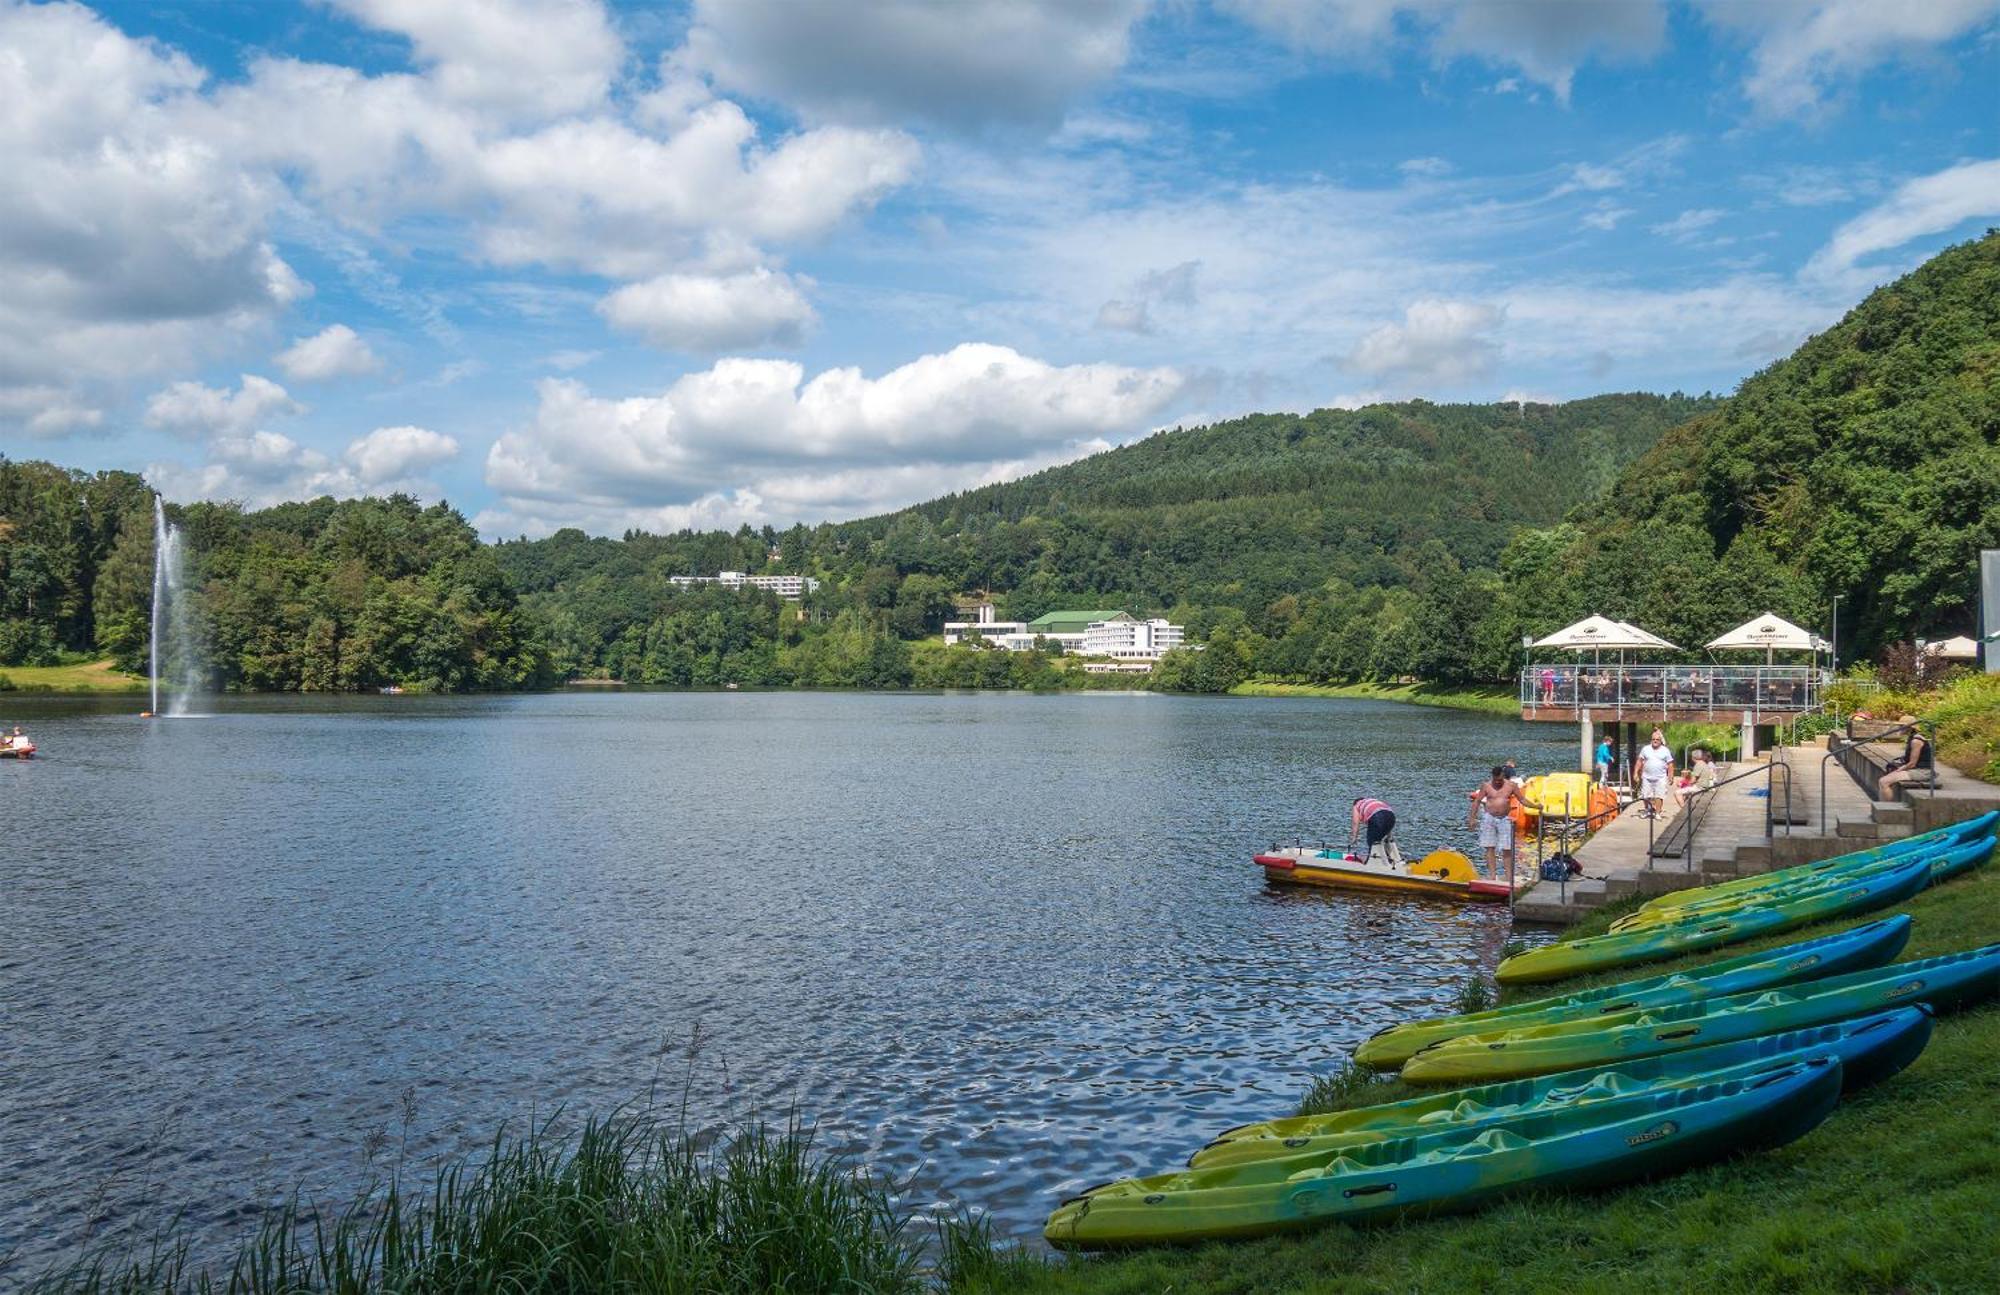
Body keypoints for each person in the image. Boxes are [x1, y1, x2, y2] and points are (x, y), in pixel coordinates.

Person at [1468, 767, 1538, 879]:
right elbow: (1477, 802)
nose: (1498, 782)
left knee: (1507, 848)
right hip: (1489, 818)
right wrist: (1472, 818)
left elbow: (1522, 800)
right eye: (1495, 780)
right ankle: (1492, 876)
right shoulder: (1486, 786)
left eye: (1500, 780)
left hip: (1504, 819)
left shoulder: (1511, 786)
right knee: (1489, 847)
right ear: (1492, 777)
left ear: (1503, 777)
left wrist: (1536, 806)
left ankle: (1509, 876)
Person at [1878, 717, 1934, 801]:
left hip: (1922, 771)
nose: (1899, 728)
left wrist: (1899, 769)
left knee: (1884, 781)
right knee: (1885, 778)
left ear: (1909, 727)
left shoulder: (1916, 741)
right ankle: (1883, 805)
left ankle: (1887, 808)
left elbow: (1912, 763)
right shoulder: (1911, 738)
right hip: (1916, 769)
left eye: (1901, 726)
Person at [1349, 796, 1400, 867]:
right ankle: (1391, 860)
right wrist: (1388, 836)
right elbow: (1385, 816)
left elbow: (1355, 823)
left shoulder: (1356, 805)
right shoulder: (1372, 801)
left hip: (1377, 816)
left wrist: (1354, 838)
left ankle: (1373, 864)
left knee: (1372, 841)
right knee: (1384, 840)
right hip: (1391, 816)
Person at [1635, 729, 1674, 819]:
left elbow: (1670, 764)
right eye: (1653, 739)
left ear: (1661, 741)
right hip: (1646, 776)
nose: (1655, 741)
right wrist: (1635, 773)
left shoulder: (1665, 750)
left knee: (1659, 795)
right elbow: (1639, 761)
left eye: (1657, 739)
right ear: (1651, 740)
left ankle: (1657, 812)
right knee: (1645, 794)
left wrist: (1670, 776)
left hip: (1660, 777)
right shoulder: (1645, 749)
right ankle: (1647, 810)